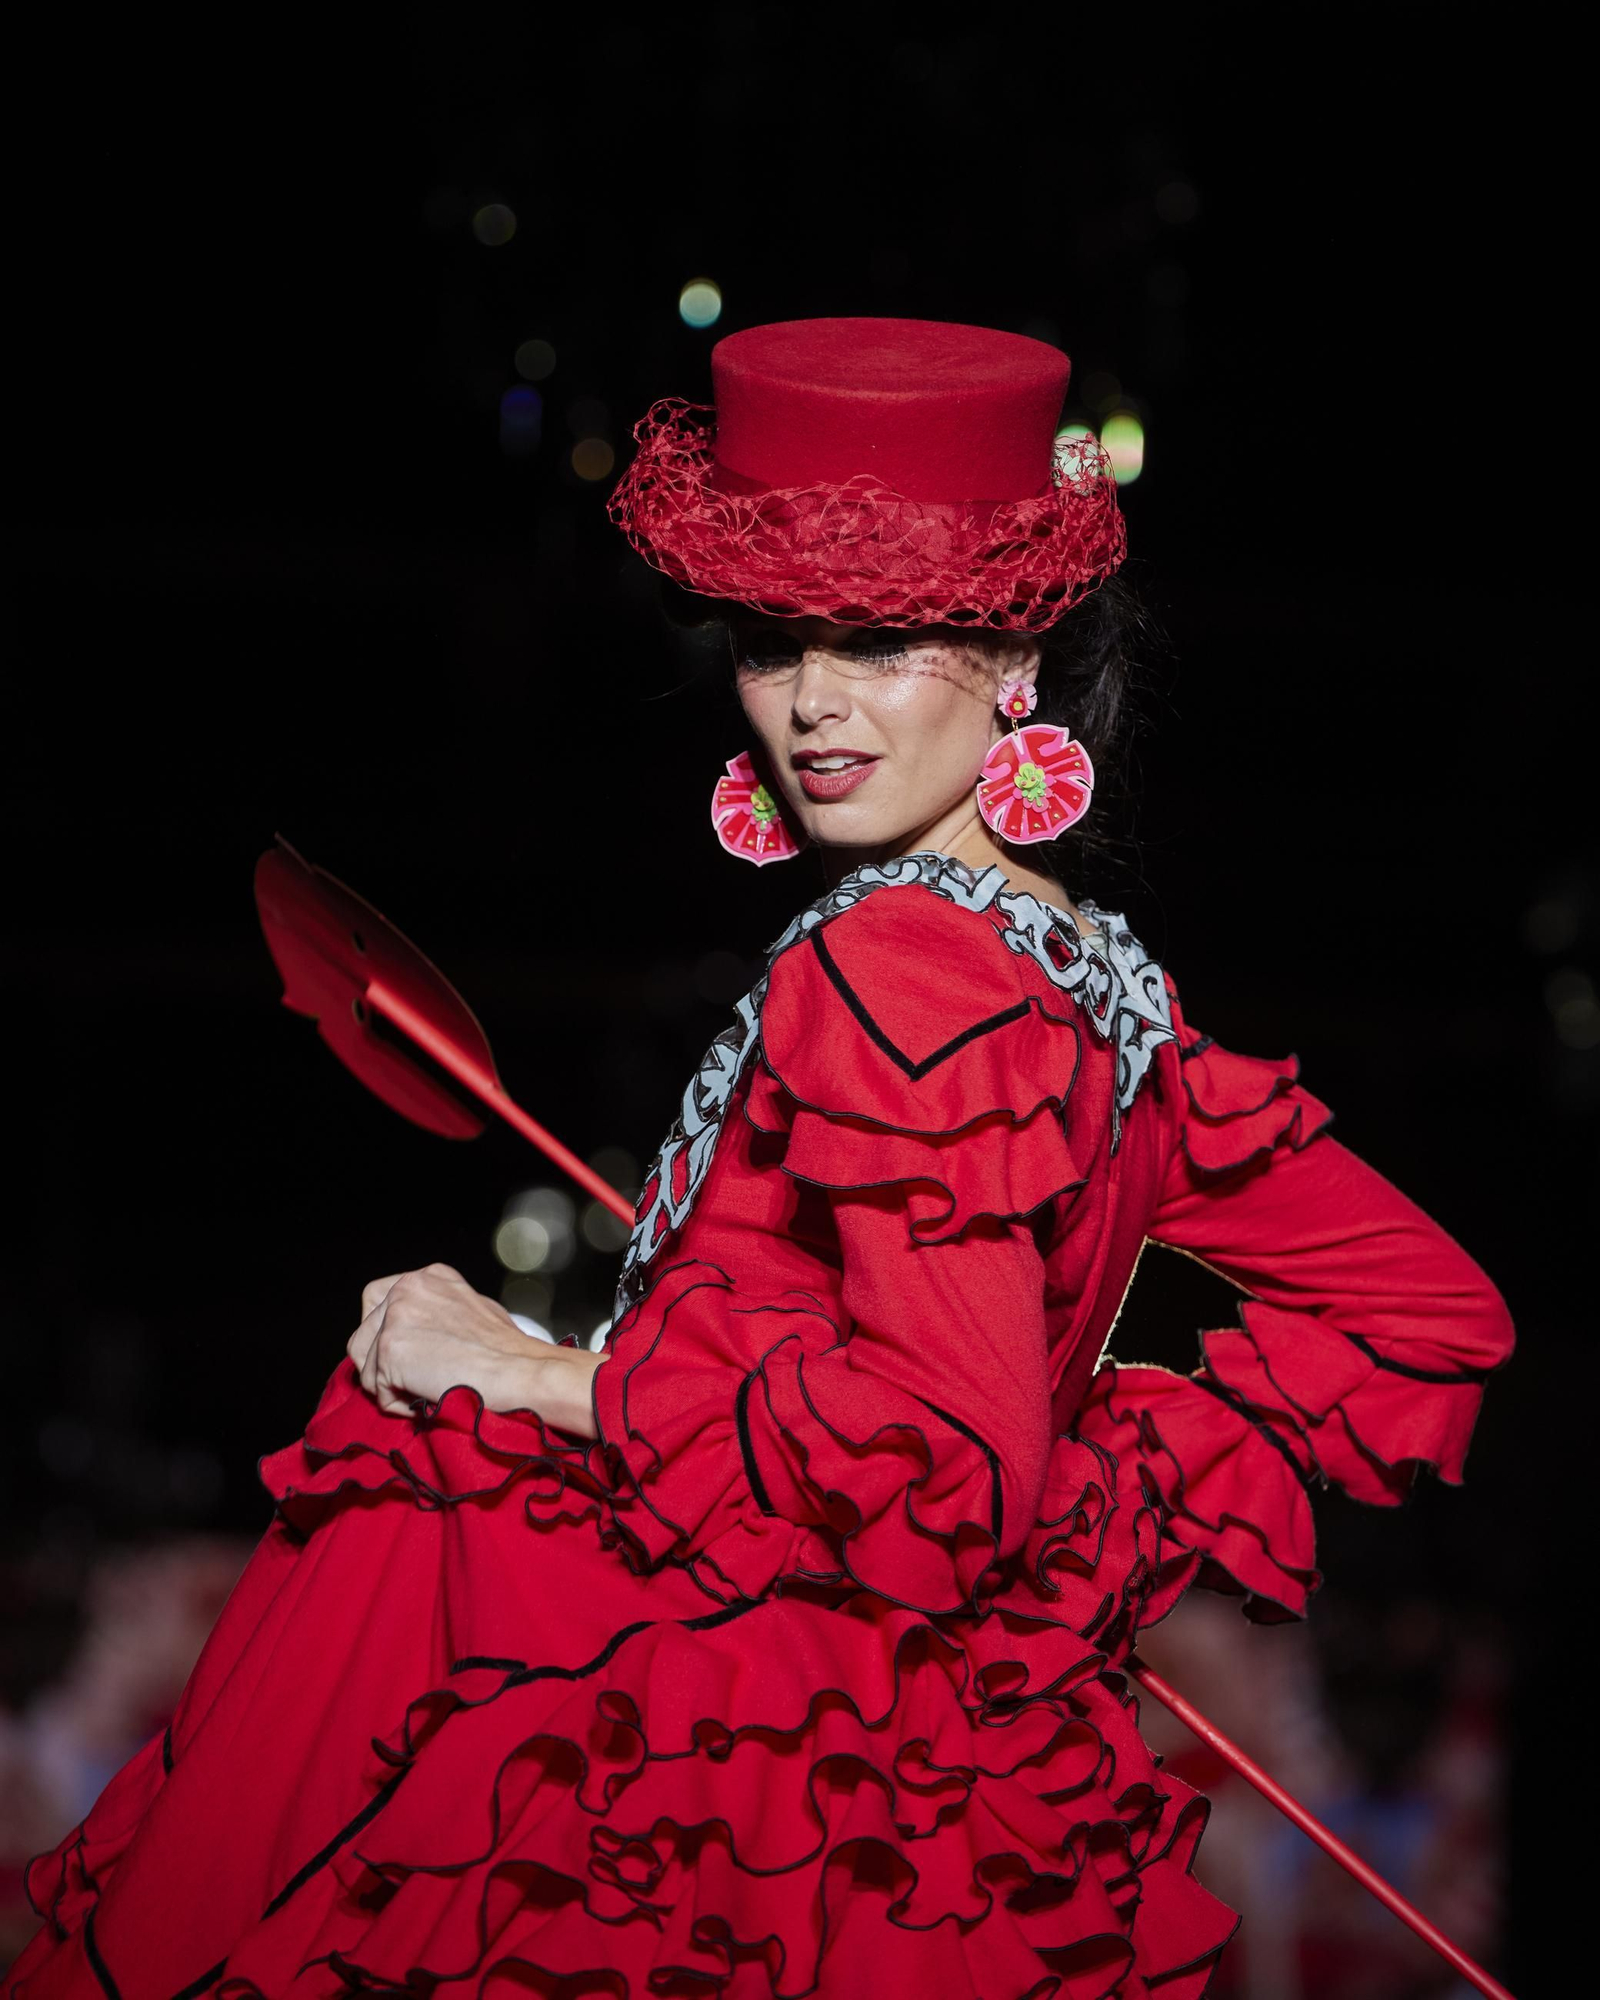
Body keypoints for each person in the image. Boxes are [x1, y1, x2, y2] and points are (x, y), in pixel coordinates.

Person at [5, 319, 1515, 1999]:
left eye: (880, 638)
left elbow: (947, 1460)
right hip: (950, 1780)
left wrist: (536, 1374)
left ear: (1018, 653)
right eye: (774, 640)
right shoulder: (1116, 993)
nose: (811, 700)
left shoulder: (898, 970)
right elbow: (1427, 1315)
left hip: (743, 1761)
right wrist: (1089, 1518)